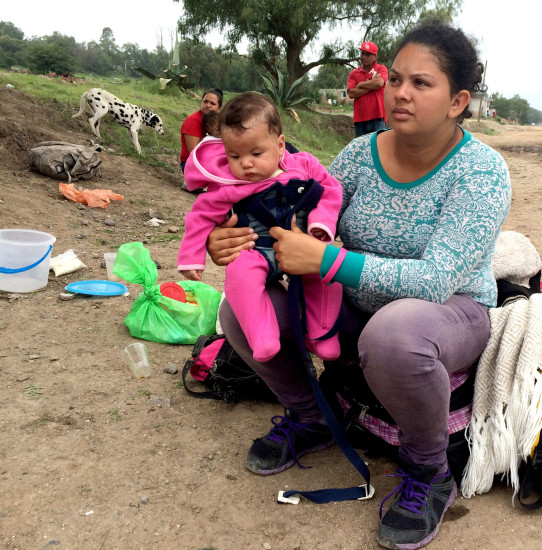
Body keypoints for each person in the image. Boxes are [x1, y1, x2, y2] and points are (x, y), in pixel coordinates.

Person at [207, 20, 511, 549]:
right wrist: (235, 242)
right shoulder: (357, 157)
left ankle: (429, 472)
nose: (400, 93)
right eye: (395, 79)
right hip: (349, 311)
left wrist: (327, 260)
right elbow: (300, 224)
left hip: (446, 315)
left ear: (458, 100)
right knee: (238, 307)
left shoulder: (481, 173)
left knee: (393, 334)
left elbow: (436, 279)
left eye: (421, 83)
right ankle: (311, 419)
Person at [178, 92, 344, 363]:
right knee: (239, 274)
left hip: (303, 246)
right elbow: (201, 215)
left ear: (280, 145)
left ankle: (322, 333)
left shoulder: (303, 165)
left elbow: (331, 190)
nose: (245, 163)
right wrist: (191, 255)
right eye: (234, 155)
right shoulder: (228, 184)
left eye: (256, 153)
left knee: (326, 271)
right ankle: (262, 335)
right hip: (256, 248)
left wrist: (322, 224)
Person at [347, 41, 388, 137]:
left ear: (375, 56)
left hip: (378, 118)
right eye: (362, 53)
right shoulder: (354, 73)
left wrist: (361, 84)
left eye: (368, 54)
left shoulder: (381, 69)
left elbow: (379, 83)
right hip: (359, 121)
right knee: (361, 151)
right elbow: (351, 93)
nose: (364, 56)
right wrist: (371, 85)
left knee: (379, 150)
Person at [179, 88, 224, 171]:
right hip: (191, 163)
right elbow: (194, 153)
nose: (207, 105)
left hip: (210, 161)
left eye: (212, 103)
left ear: (219, 108)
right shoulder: (193, 121)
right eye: (205, 101)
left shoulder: (219, 122)